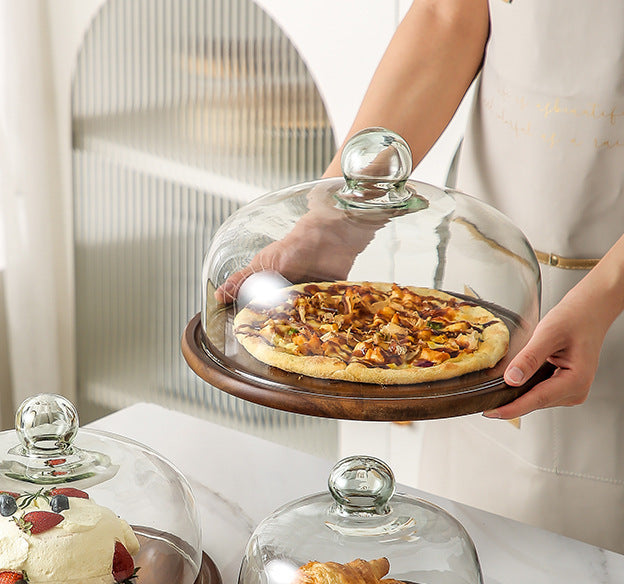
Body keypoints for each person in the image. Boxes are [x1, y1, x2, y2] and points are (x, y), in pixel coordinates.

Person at [248, 0, 624, 551]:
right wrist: (338, 218)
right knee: (468, 557)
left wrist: (604, 295)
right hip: (487, 258)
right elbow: (450, 15)